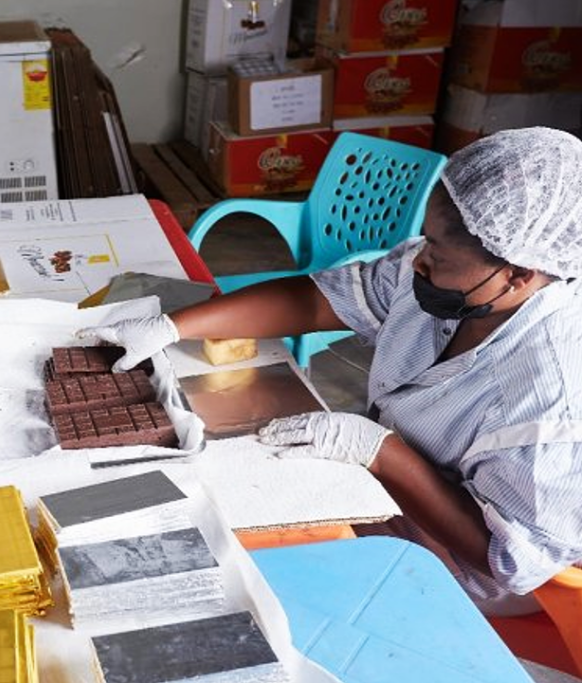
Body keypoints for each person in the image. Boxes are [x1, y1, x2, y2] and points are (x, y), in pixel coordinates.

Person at [80, 127, 582, 616]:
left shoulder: (551, 397)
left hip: (451, 575)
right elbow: (322, 299)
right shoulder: (451, 278)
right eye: (424, 242)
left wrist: (380, 452)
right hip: (378, 494)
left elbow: (507, 562)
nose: (418, 264)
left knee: (233, 588)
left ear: (518, 275)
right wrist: (172, 325)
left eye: (438, 254)